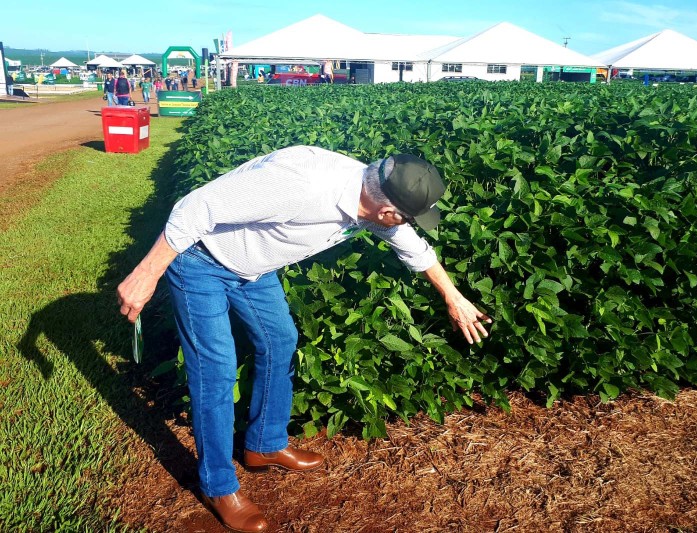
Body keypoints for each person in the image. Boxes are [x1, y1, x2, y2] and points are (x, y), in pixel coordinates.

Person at [116, 146, 492, 532]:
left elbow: (413, 247)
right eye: (407, 219)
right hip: (201, 261)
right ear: (388, 213)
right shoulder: (304, 186)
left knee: (280, 341)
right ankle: (218, 485)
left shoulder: (369, 194)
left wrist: (455, 298)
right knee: (216, 372)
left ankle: (264, 445)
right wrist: (146, 274)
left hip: (254, 270)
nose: (404, 226)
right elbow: (193, 209)